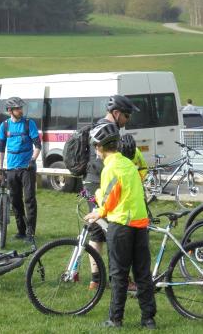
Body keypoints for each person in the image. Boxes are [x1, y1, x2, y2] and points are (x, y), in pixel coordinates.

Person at [83, 123, 156, 330]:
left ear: (100, 147)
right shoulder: (128, 164)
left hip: (121, 226)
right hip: (140, 225)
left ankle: (116, 319)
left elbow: (109, 199)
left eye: (95, 146)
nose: (95, 150)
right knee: (143, 273)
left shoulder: (110, 168)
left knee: (119, 274)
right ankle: (148, 319)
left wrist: (98, 206)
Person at [84, 95, 139, 290]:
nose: (127, 120)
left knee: (97, 233)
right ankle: (121, 279)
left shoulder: (97, 126)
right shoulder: (110, 131)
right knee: (117, 233)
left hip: (92, 182)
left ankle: (96, 280)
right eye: (126, 115)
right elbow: (110, 166)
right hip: (102, 184)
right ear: (116, 113)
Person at [0, 97, 41, 243]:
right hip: (11, 169)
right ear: (10, 111)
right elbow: (1, 148)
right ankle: (21, 231)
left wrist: (32, 160)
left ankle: (30, 233)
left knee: (29, 200)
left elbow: (38, 146)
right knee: (15, 201)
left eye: (21, 108)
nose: (21, 110)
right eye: (17, 108)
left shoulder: (29, 124)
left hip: (27, 168)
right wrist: (0, 167)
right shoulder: (4, 126)